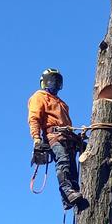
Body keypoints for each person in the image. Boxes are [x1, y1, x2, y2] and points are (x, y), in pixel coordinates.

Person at [28, 68, 85, 209]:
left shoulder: (62, 103)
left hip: (67, 138)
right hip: (53, 136)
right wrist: (36, 139)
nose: (55, 84)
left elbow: (67, 125)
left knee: (72, 169)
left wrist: (77, 139)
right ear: (44, 82)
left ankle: (70, 198)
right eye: (52, 80)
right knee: (63, 160)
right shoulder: (39, 96)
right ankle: (67, 191)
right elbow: (34, 118)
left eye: (57, 81)